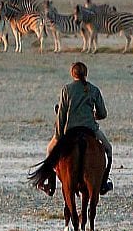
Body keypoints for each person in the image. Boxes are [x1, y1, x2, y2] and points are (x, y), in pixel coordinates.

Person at [39, 61, 113, 195]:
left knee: (50, 150)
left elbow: (61, 114)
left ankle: (50, 183)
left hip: (70, 129)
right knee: (108, 150)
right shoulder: (94, 90)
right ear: (86, 74)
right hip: (91, 129)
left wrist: (59, 135)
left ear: (72, 74)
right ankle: (103, 182)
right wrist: (93, 116)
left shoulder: (66, 89)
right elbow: (103, 113)